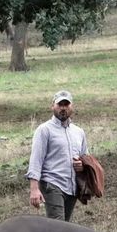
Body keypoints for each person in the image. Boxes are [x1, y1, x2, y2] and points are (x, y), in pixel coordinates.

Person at [25, 90, 88, 221]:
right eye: (60, 104)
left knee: (65, 227)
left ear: (72, 107)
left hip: (71, 187)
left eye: (66, 104)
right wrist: (34, 189)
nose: (63, 108)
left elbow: (85, 158)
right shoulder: (44, 130)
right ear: (52, 106)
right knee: (58, 227)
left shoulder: (79, 132)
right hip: (52, 184)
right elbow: (36, 160)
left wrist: (81, 166)